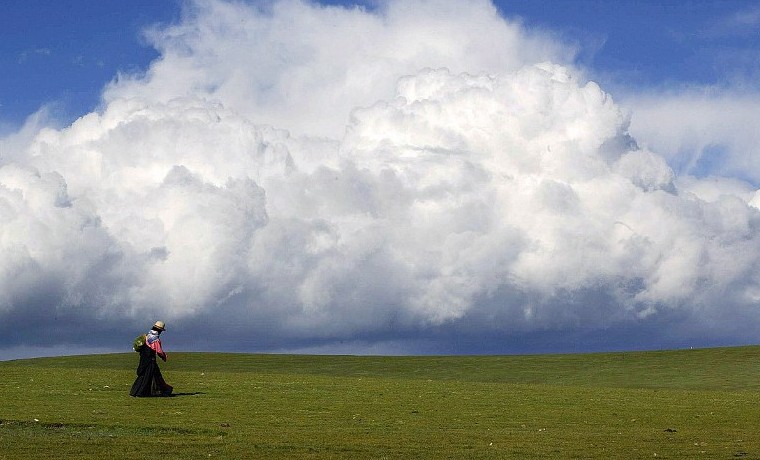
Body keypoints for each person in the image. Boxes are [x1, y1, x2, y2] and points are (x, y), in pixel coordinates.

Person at [130, 321, 173, 397]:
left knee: (143, 374)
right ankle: (143, 392)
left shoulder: (146, 336)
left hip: (143, 358)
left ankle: (135, 391)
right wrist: (164, 356)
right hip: (151, 360)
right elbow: (159, 351)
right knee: (151, 375)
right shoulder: (155, 339)